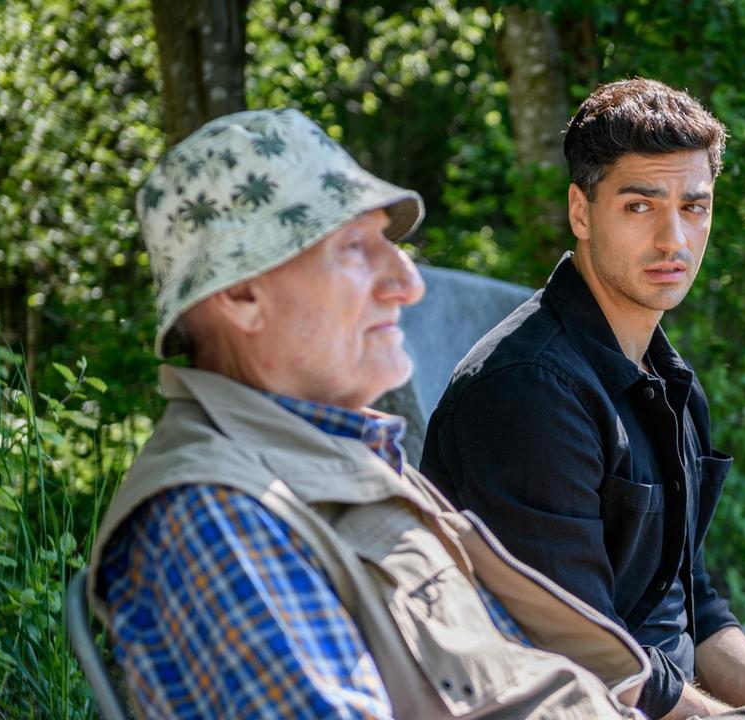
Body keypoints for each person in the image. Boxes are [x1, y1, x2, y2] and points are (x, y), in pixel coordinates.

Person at [84, 108, 654, 719]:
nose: (407, 283)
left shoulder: (334, 460)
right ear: (240, 295)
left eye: (390, 244)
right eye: (354, 248)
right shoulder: (216, 514)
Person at [421, 78, 745, 720]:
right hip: (580, 708)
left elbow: (695, 607)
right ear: (581, 211)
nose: (673, 239)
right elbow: (583, 657)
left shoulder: (668, 379)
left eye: (694, 206)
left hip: (672, 701)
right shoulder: (529, 389)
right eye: (640, 206)